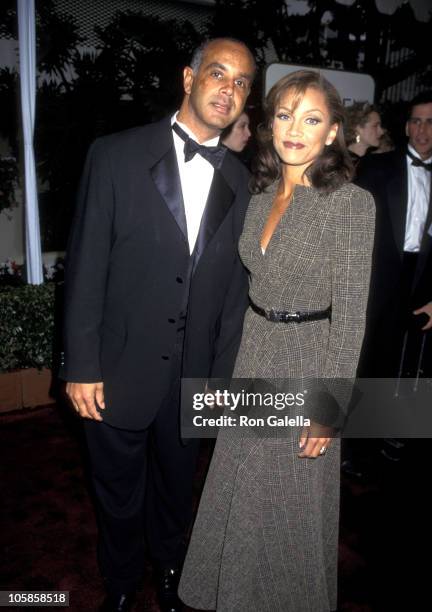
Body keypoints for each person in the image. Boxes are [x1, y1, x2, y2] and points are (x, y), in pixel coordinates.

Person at [59, 38, 255, 612]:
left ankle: (171, 574)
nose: (229, 89)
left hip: (195, 375)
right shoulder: (115, 154)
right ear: (189, 78)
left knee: (176, 489)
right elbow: (86, 265)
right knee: (117, 494)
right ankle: (120, 583)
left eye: (242, 82)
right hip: (117, 367)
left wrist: (221, 386)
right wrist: (82, 363)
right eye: (218, 74)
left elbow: (235, 297)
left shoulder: (243, 181)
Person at [178, 70, 375, 611]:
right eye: (285, 115)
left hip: (308, 356)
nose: (295, 129)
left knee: (289, 501)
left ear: (332, 132)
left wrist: (330, 405)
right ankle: (234, 594)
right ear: (270, 124)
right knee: (240, 486)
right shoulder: (260, 192)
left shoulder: (352, 205)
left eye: (311, 118)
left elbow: (352, 316)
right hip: (255, 346)